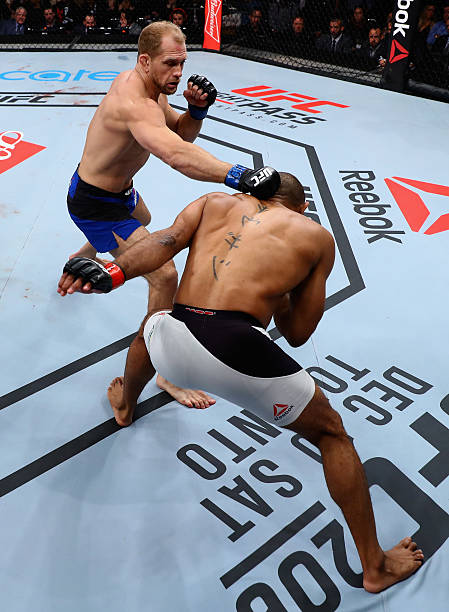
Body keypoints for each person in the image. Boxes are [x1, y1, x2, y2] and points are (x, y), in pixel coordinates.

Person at [58, 172, 424, 594]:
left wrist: (114, 272)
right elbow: (298, 333)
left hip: (174, 339)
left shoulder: (214, 201)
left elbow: (165, 241)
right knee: (332, 434)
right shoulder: (316, 237)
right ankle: (375, 566)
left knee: (152, 324)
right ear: (302, 207)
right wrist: (282, 293)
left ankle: (125, 406)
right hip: (237, 349)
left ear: (253, 193)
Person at [63, 19, 279, 406]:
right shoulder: (133, 101)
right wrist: (240, 175)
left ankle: (84, 253)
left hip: (120, 193)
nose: (178, 72)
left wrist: (196, 110)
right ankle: (163, 373)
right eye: (169, 63)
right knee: (164, 276)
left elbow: (179, 133)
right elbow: (177, 155)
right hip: (96, 204)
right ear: (145, 61)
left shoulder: (153, 90)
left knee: (144, 220)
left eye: (182, 63)